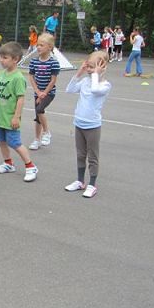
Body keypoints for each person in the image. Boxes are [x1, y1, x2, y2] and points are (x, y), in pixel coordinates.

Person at [0, 42, 38, 182]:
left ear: (15, 59)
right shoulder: (2, 73)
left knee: (15, 143)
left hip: (10, 117)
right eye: (1, 57)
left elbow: (20, 99)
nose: (1, 60)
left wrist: (16, 117)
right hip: (0, 116)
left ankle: (31, 166)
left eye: (5, 58)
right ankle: (8, 163)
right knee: (1, 140)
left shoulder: (18, 78)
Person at [64, 51, 112, 198]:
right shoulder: (85, 81)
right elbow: (69, 89)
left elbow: (95, 90)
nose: (90, 70)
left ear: (103, 67)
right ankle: (80, 181)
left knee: (92, 156)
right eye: (88, 66)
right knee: (80, 154)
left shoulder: (105, 85)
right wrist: (79, 73)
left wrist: (96, 74)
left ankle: (92, 184)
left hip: (92, 125)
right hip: (79, 122)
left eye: (92, 67)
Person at [28, 33, 61, 150]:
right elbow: (31, 76)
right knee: (38, 116)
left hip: (49, 93)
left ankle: (47, 132)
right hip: (37, 93)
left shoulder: (53, 62)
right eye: (37, 45)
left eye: (41, 45)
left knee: (39, 109)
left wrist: (44, 93)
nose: (38, 47)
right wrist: (37, 91)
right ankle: (37, 140)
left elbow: (53, 80)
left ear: (50, 47)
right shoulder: (34, 61)